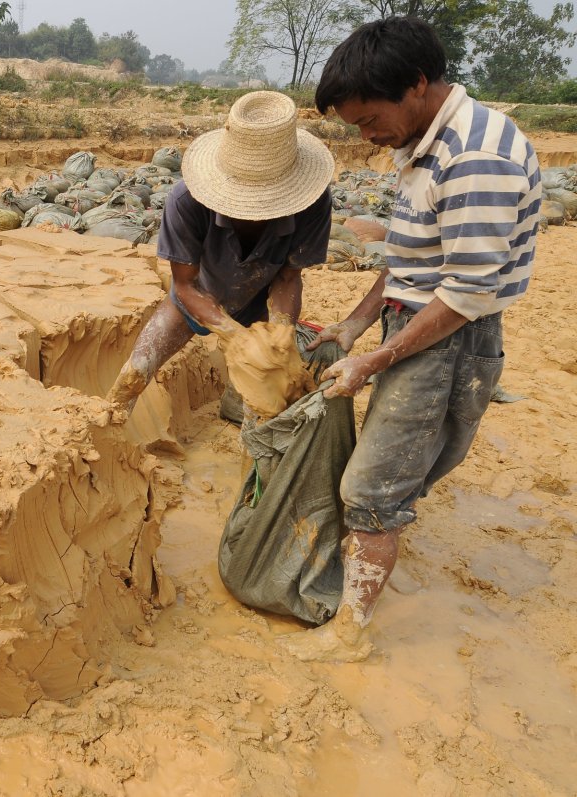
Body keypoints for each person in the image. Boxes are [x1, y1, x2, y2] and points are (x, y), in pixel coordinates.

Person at [280, 16, 542, 662]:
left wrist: (373, 359)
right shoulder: (423, 141)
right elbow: (409, 261)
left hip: (449, 341)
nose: (367, 138)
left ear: (417, 85)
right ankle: (373, 545)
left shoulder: (474, 155)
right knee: (385, 472)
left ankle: (352, 633)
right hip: (417, 326)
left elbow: (465, 294)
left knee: (371, 487)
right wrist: (354, 324)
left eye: (369, 121)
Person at [106, 91, 333, 414]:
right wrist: (233, 336)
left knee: (270, 398)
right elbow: (184, 285)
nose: (256, 212)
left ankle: (240, 415)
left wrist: (281, 331)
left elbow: (288, 276)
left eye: (268, 201)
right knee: (134, 374)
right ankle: (108, 433)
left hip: (262, 301)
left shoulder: (313, 203)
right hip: (198, 293)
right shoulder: (186, 202)